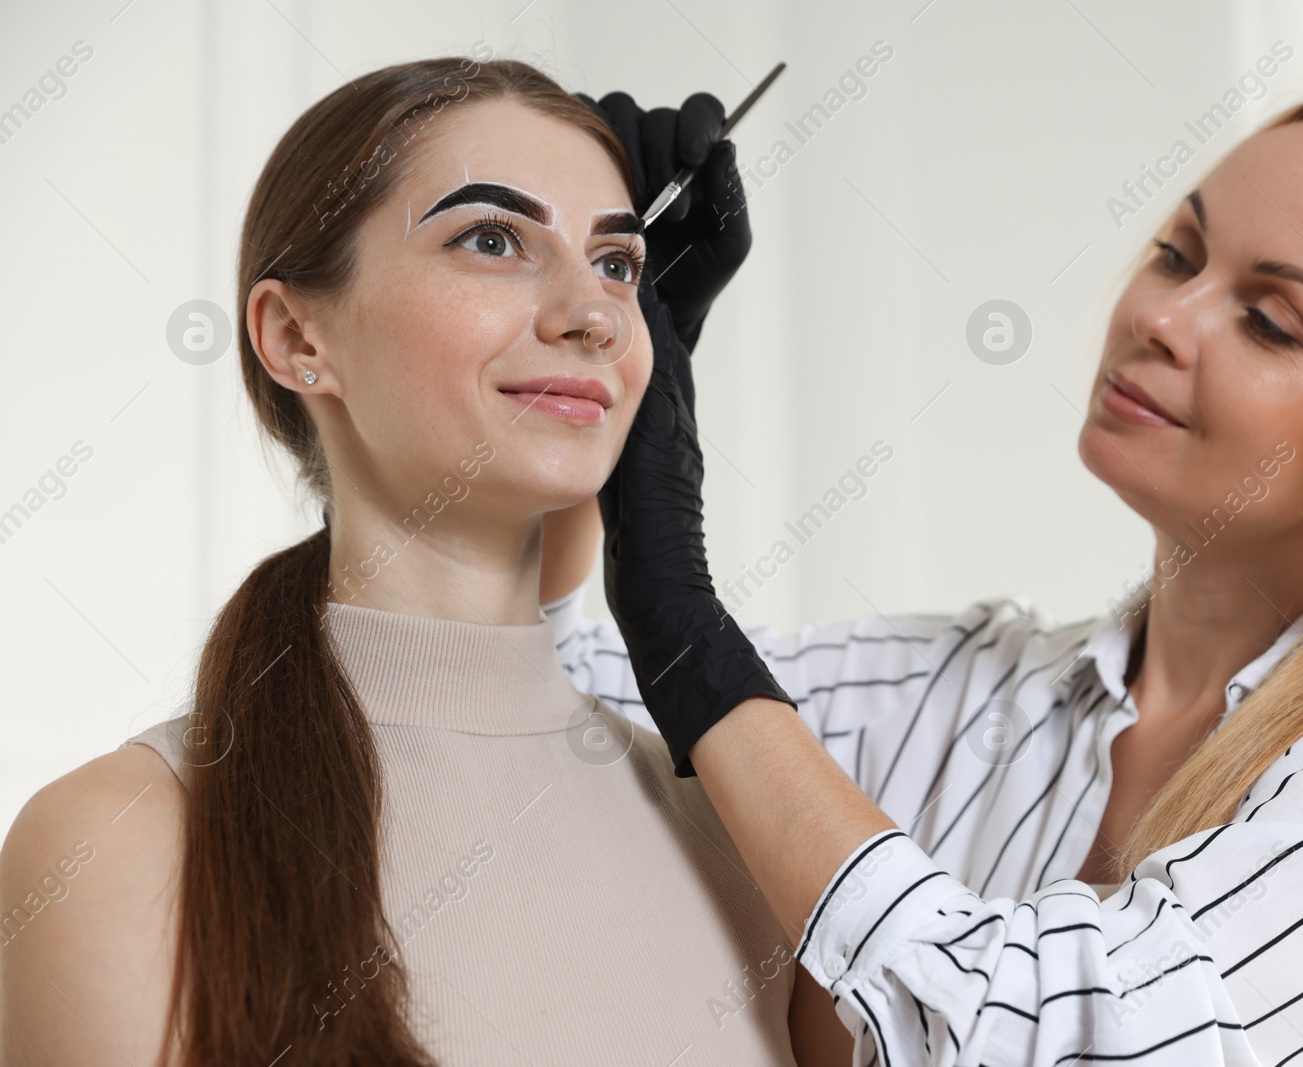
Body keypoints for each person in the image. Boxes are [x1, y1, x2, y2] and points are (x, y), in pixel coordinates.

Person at [552, 90, 1303, 1064]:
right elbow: (534, 707)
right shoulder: (963, 686)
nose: (1163, 318)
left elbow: (1058, 1034)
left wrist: (677, 603)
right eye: (1176, 253)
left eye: (1270, 319)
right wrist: (613, 356)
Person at [0, 56, 845, 1066]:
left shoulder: (755, 845)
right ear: (295, 335)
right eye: (492, 239)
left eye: (618, 263)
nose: (594, 312)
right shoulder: (117, 847)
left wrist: (685, 618)